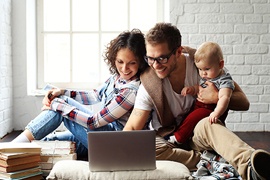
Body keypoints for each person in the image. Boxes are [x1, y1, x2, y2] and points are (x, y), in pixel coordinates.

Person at [123, 23, 270, 180]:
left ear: (178, 52)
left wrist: (215, 97)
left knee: (209, 123)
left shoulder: (202, 65)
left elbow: (244, 102)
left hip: (199, 134)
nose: (155, 65)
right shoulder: (150, 83)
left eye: (162, 58)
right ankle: (210, 159)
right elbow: (133, 125)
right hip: (170, 140)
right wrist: (117, 149)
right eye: (150, 58)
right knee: (148, 148)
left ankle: (250, 165)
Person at [12, 29, 148, 158]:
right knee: (49, 141)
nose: (124, 68)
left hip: (111, 144)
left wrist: (57, 105)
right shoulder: (116, 78)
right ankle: (15, 152)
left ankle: (13, 146)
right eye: (120, 62)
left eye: (132, 63)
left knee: (63, 105)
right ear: (114, 58)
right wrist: (62, 92)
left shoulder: (131, 91)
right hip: (98, 136)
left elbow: (93, 122)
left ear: (141, 62)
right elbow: (94, 95)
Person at [169, 41, 235, 145]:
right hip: (198, 105)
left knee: (193, 118)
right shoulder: (207, 76)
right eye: (200, 69)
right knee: (187, 117)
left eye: (207, 69)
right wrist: (192, 89)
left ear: (220, 64)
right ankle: (185, 136)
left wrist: (216, 113)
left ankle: (179, 138)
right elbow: (200, 88)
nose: (203, 73)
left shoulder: (224, 79)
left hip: (210, 109)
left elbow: (224, 98)